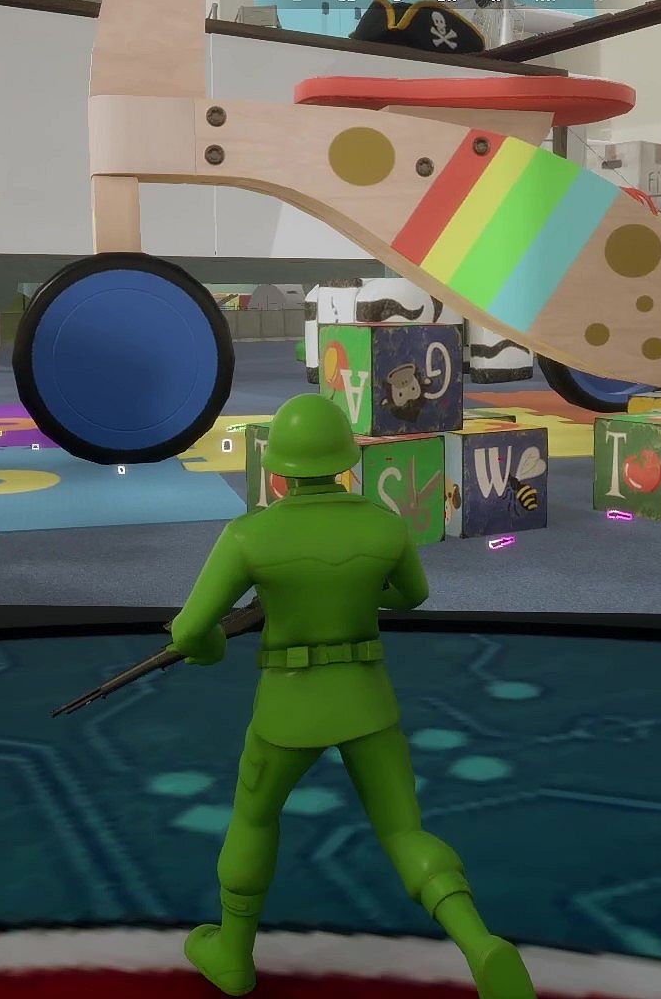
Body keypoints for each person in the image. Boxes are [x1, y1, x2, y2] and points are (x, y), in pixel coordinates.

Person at [167, 393, 535, 999]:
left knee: (254, 818)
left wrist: (209, 649)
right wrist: (357, 597)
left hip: (288, 710)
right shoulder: (383, 525)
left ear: (278, 470)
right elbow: (412, 595)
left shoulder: (248, 536)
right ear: (344, 461)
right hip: (368, 701)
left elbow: (189, 632)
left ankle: (232, 953)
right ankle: (480, 944)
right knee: (405, 833)